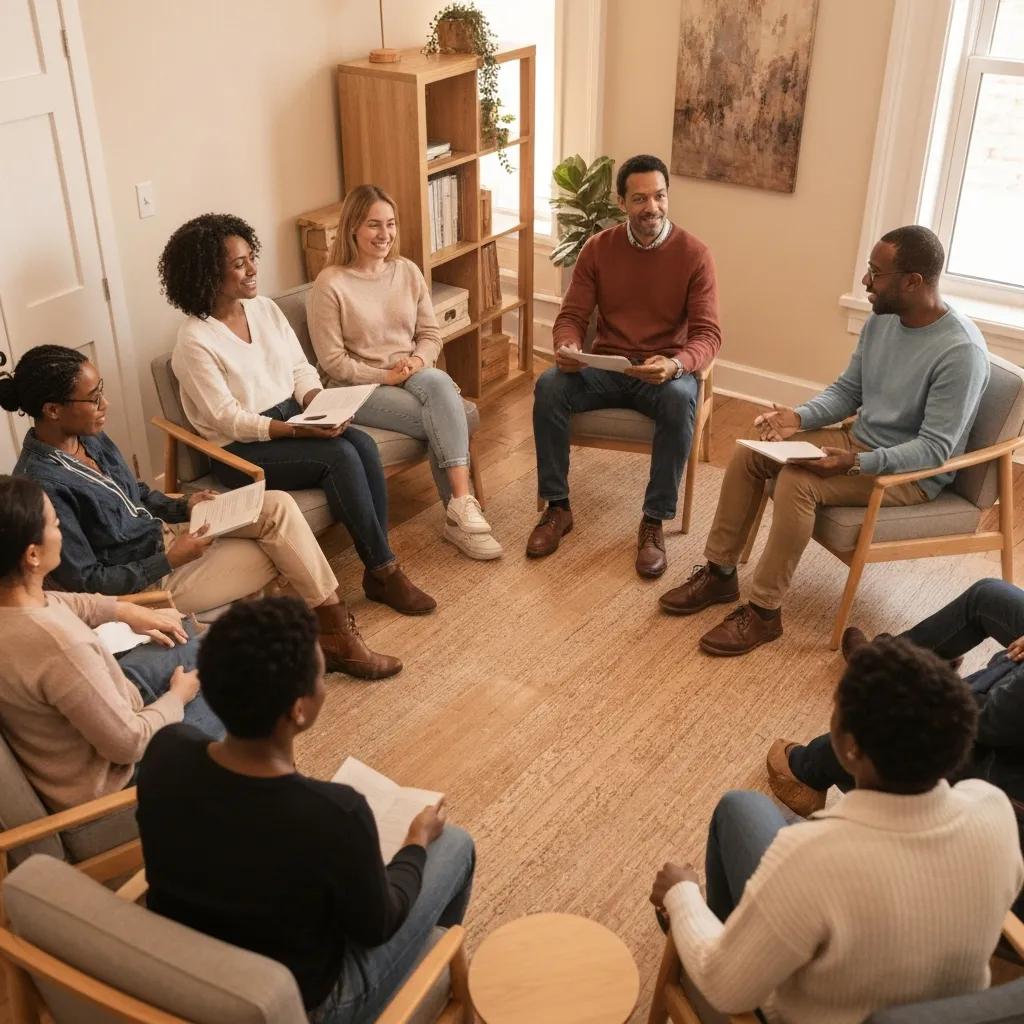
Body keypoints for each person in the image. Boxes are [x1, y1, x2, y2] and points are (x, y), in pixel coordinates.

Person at [136, 597, 476, 1023]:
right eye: (320, 674)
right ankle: (428, 971)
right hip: (310, 1005)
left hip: (189, 972)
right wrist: (415, 842)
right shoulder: (334, 814)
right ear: (299, 709)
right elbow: (377, 924)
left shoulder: (166, 750)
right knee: (457, 844)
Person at [649, 638, 1023, 1024]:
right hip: (943, 1009)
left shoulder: (811, 857)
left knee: (736, 815)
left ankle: (724, 939)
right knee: (745, 808)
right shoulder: (992, 808)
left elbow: (724, 985)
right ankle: (743, 939)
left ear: (849, 748)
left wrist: (681, 895)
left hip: (792, 1011)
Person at [659, 225, 990, 656]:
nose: (866, 283)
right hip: (858, 440)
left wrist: (854, 463)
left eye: (876, 273)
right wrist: (798, 417)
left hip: (911, 473)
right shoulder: (884, 320)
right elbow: (849, 391)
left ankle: (764, 612)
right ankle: (721, 573)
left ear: (913, 282)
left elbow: (933, 449)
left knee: (799, 482)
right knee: (749, 454)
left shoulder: (960, 352)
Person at [1, 345, 400, 680]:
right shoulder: (42, 486)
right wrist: (169, 559)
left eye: (101, 390)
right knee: (282, 549)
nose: (105, 404)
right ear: (53, 410)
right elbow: (86, 581)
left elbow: (136, 493)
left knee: (279, 505)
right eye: (93, 398)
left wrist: (185, 504)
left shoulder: (88, 437)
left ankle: (333, 637)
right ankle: (337, 640)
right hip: (146, 585)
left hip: (167, 536)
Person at [162, 212, 436, 615]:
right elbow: (227, 419)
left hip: (292, 418)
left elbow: (299, 368)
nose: (253, 269)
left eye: (251, 257)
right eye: (239, 264)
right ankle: (383, 571)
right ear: (207, 275)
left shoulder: (265, 310)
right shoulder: (194, 341)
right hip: (241, 450)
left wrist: (317, 406)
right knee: (340, 456)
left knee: (359, 441)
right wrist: (295, 434)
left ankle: (380, 567)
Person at [768, 578, 1024, 916]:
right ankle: (886, 661)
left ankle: (807, 769)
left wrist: (929, 688)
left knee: (898, 719)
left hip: (1009, 799)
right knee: (986, 597)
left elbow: (988, 721)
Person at [527, 153, 721, 578]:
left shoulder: (694, 254)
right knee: (550, 386)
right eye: (640, 199)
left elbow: (708, 335)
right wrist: (568, 345)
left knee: (677, 399)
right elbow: (572, 316)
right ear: (621, 203)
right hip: (609, 366)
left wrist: (675, 364)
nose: (651, 207)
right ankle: (557, 508)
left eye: (659, 196)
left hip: (661, 372)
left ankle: (653, 521)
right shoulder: (599, 248)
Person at [0, 474, 223, 812]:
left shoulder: (15, 602)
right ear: (32, 554)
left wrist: (123, 610)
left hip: (104, 712)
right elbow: (129, 744)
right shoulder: (57, 646)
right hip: (119, 780)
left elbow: (63, 602)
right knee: (246, 682)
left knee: (193, 637)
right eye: (56, 525)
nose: (62, 533)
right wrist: (178, 696)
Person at [308, 184, 501, 562]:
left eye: (391, 224)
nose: (385, 235)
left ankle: (459, 506)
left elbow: (430, 335)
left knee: (438, 381)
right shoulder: (330, 283)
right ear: (353, 229)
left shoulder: (407, 271)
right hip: (356, 386)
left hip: (408, 372)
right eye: (373, 225)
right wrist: (386, 377)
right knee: (450, 414)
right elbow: (332, 363)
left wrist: (415, 362)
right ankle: (461, 514)